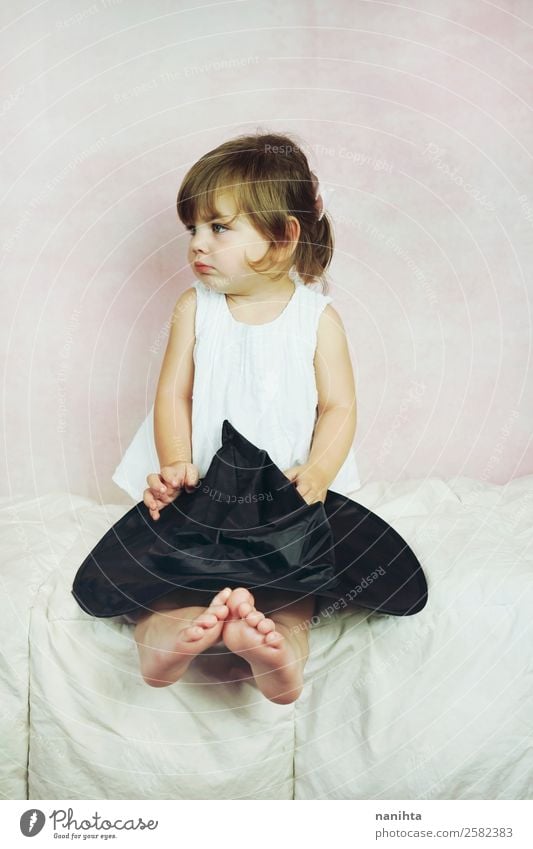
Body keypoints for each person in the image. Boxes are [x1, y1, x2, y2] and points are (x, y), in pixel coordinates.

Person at [116, 131, 359, 703]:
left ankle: (279, 653)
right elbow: (173, 394)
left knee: (295, 589)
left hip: (287, 499)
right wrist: (176, 463)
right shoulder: (194, 309)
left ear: (283, 237)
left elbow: (340, 406)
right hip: (202, 493)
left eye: (219, 228)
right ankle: (166, 638)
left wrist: (319, 474)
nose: (197, 244)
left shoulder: (315, 319)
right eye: (192, 229)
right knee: (165, 580)